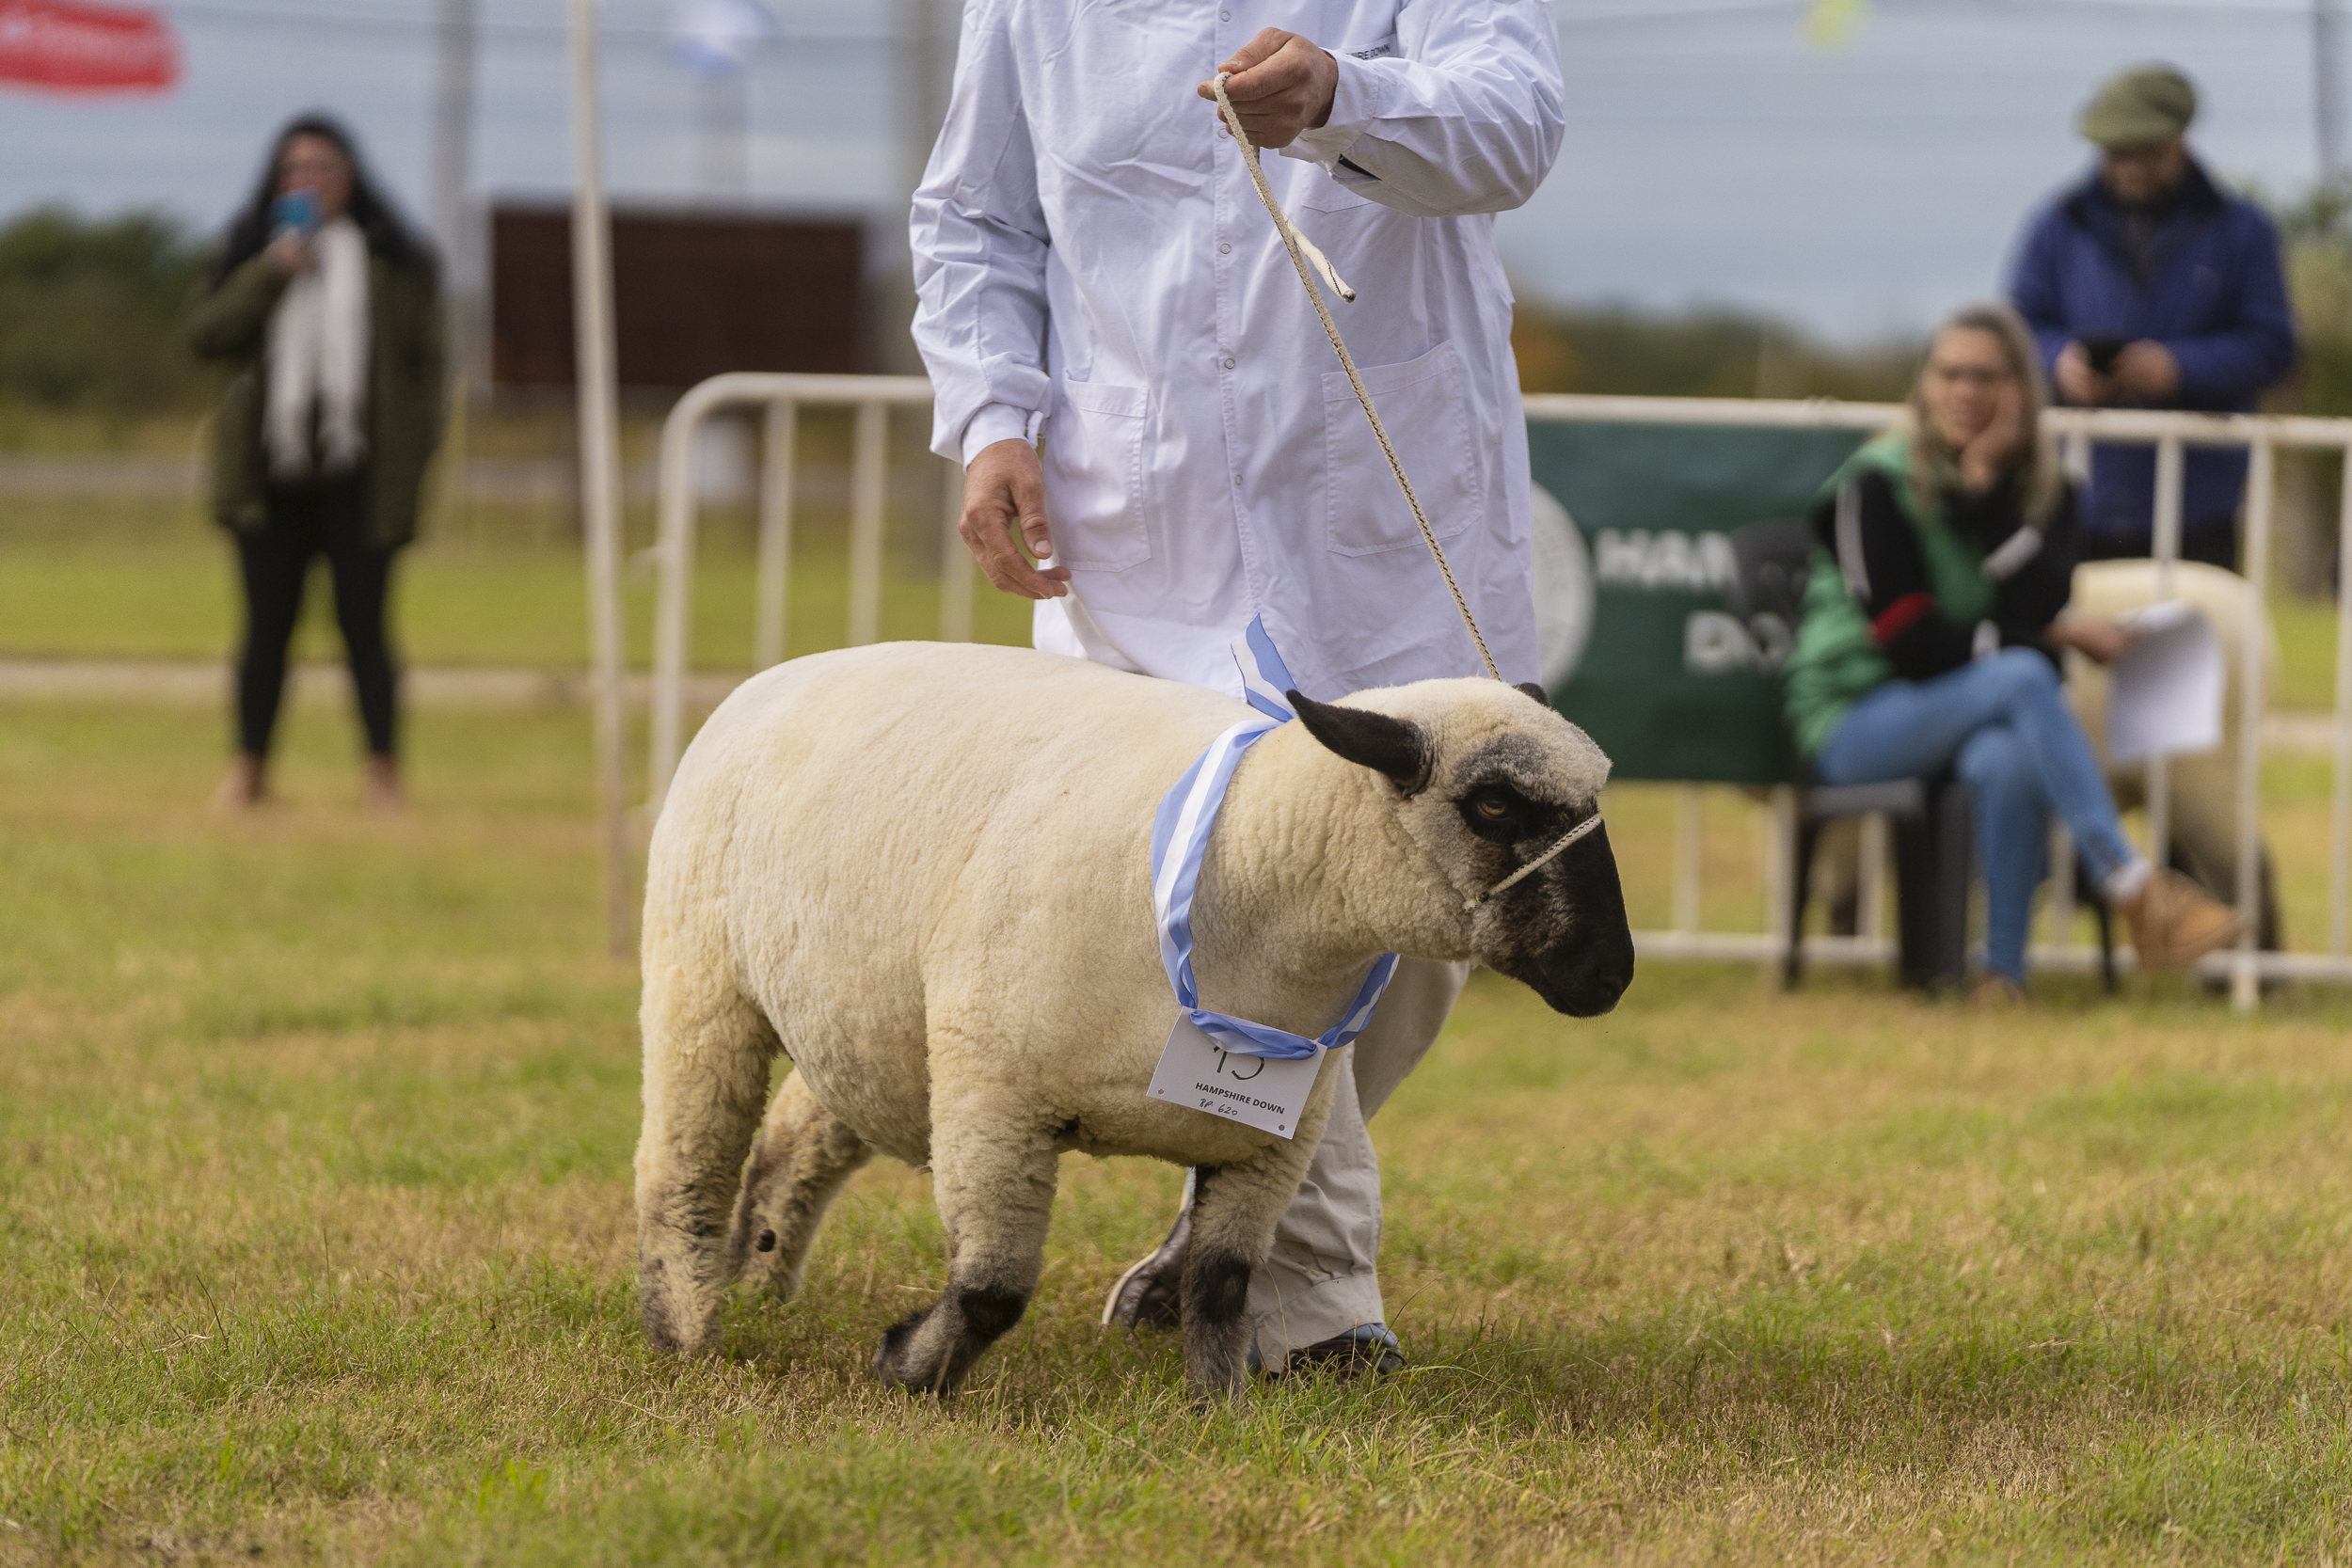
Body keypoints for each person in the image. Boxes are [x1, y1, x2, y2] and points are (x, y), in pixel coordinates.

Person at [911, 8, 1561, 1373]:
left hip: (1378, 512)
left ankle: (1224, 1208)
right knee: (1213, 899)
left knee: (1420, 936)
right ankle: (1308, 1299)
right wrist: (991, 420)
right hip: (1137, 523)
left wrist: (1345, 95)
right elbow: (978, 218)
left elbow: (1516, 124)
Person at [1783, 303, 2244, 1002]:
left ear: (2022, 390)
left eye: (1987, 376)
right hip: (1853, 719)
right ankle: (2133, 885)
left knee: (2006, 751)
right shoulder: (1872, 482)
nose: (1966, 391)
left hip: (1960, 706)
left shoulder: (2041, 490)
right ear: (1924, 385)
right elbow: (1911, 643)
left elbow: (2030, 600)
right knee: (2025, 676)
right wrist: (2051, 639)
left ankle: (2002, 976)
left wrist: (1986, 487)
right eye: (1950, 374)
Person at [189, 115, 444, 811]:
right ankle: (248, 769)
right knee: (265, 629)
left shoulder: (393, 261)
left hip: (359, 473)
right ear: (276, 183)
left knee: (366, 627)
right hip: (268, 478)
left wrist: (413, 471)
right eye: (295, 170)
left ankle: (382, 773)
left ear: (350, 178)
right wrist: (270, 273)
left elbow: (428, 374)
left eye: (323, 169)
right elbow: (206, 337)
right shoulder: (251, 254)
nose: (310, 182)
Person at [2006, 63, 2296, 571]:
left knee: (2196, 644)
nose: (2132, 167)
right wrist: (2060, 362)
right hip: (2071, 494)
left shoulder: (2242, 231)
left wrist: (2174, 368)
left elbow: (2271, 344)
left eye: (2148, 152)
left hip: (2196, 502)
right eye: (2118, 154)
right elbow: (2016, 329)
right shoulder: (2057, 224)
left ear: (2181, 138)